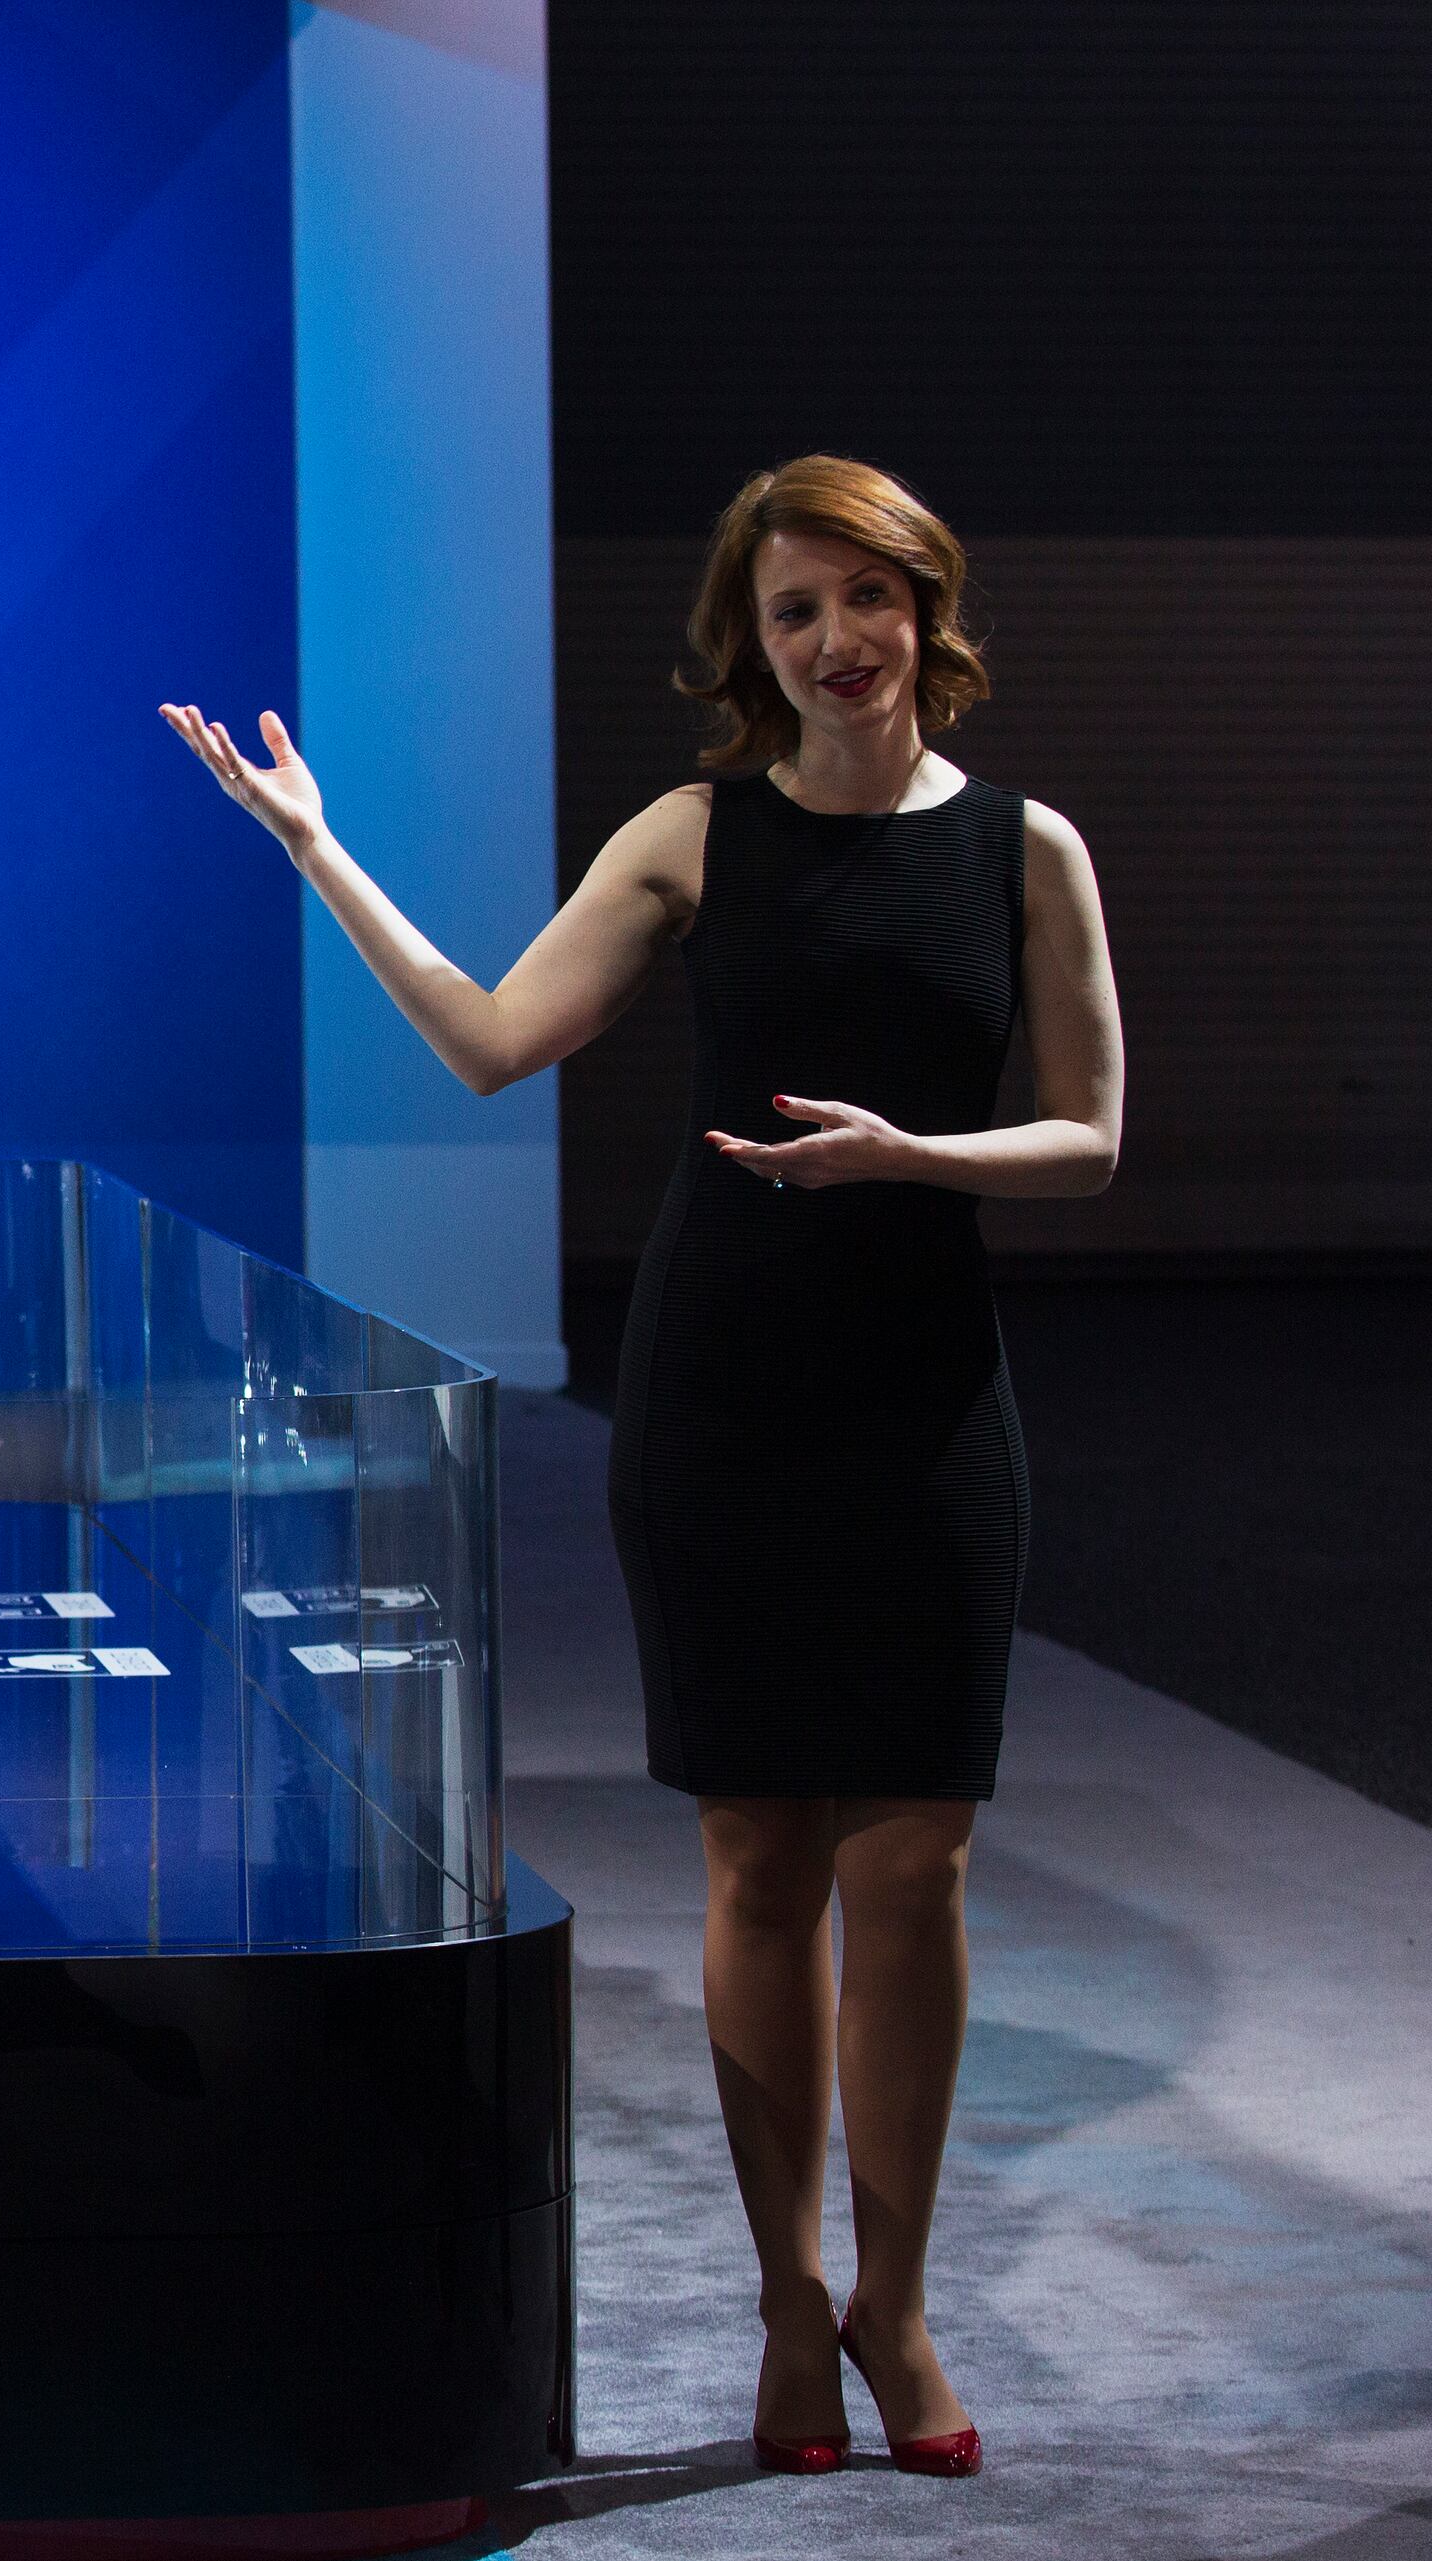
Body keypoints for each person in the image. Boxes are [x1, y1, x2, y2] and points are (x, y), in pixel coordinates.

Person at [161, 456, 1124, 2481]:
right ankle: (788, 2309)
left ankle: (897, 2301)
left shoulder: (1030, 848)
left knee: (917, 1861)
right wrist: (319, 850)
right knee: (762, 1859)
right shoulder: (697, 835)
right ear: (750, 648)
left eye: (864, 600)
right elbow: (488, 1040)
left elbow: (1093, 1138)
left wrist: (910, 1159)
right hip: (728, 1404)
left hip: (932, 1403)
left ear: (924, 609)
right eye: (793, 615)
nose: (835, 642)